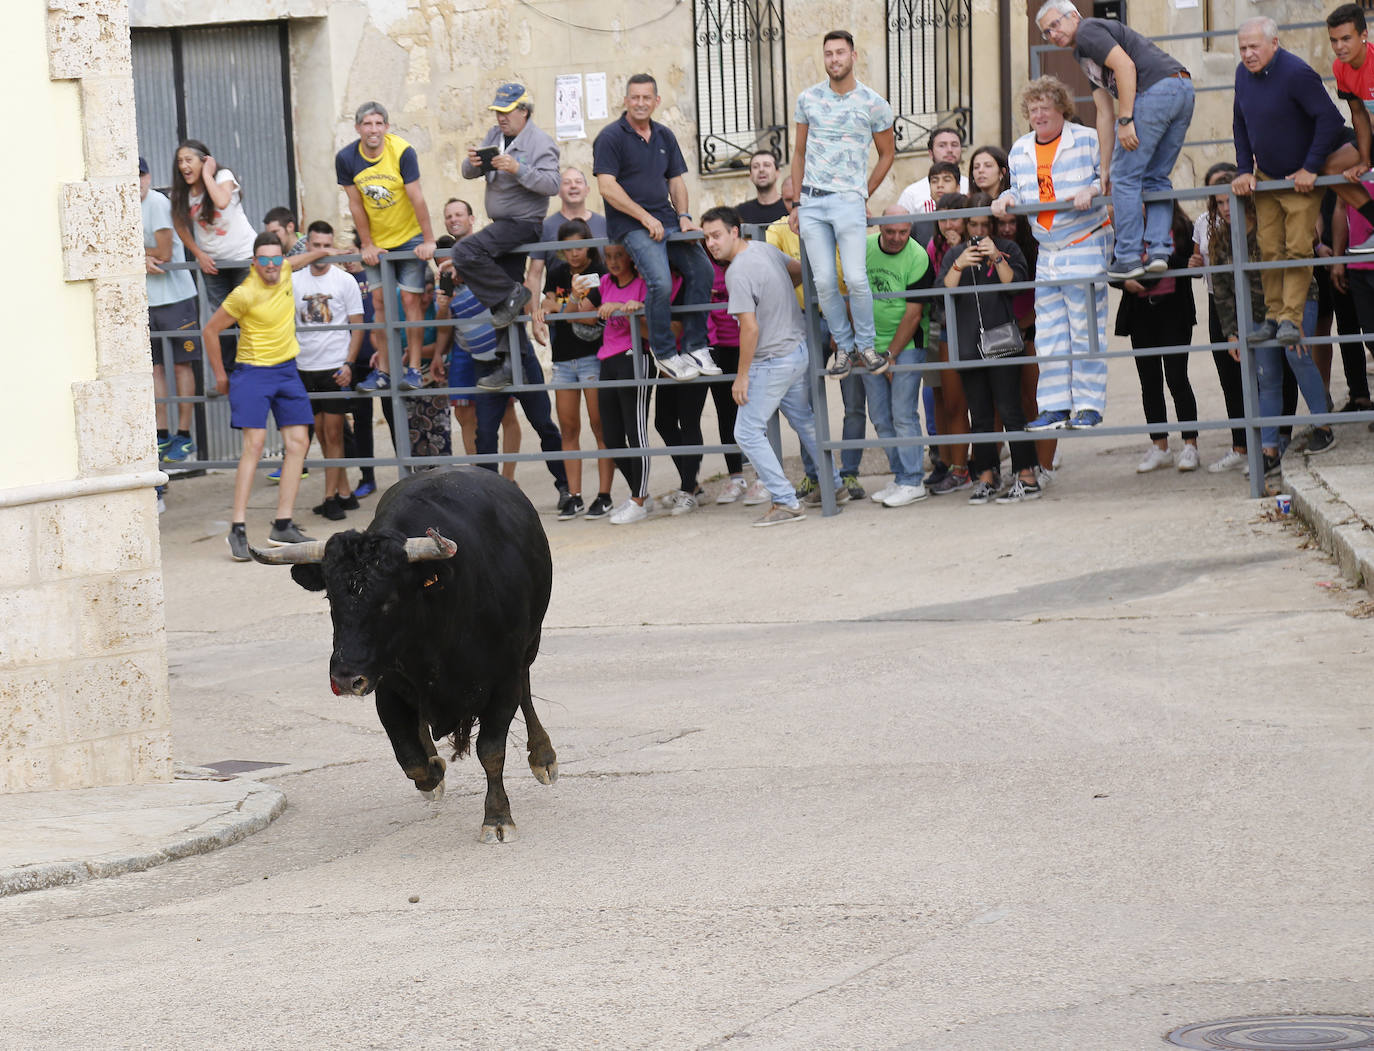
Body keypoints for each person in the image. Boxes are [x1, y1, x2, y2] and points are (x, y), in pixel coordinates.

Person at [1232, 17, 1374, 348]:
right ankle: (1273, 316)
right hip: (1267, 177)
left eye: (1254, 47)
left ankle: (1290, 321)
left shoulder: (1297, 73)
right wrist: (1242, 169)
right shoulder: (1242, 74)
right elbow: (1240, 122)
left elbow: (1330, 118)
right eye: (1242, 48)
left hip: (1301, 179)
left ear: (1274, 44)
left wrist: (1311, 167)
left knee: (1297, 248)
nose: (1248, 54)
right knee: (1268, 249)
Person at [702, 205, 843, 525]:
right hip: (796, 351)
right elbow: (795, 270)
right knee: (805, 422)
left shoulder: (736, 271)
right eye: (707, 237)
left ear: (734, 231)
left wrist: (741, 377)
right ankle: (834, 484)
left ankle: (784, 500)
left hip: (773, 360)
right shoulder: (764, 249)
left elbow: (749, 329)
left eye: (717, 235)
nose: (711, 243)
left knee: (747, 432)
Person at [1036, 0, 1195, 280]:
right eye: (1046, 32)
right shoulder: (1082, 54)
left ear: (1073, 15)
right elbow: (1102, 112)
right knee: (1155, 176)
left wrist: (1126, 119)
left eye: (1055, 24)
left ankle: (1129, 256)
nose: (1052, 34)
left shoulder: (1087, 31)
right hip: (1181, 88)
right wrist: (1105, 168)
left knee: (1126, 177)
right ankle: (1158, 250)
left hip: (1157, 90)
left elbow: (1125, 66)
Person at [993, 76, 1112, 431]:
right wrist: (1006, 198)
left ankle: (1089, 407)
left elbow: (1108, 176)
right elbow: (1016, 189)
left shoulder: (1089, 139)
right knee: (1049, 333)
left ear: (1062, 107)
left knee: (1086, 329)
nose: (1039, 114)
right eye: (1033, 109)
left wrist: (1092, 189)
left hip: (1084, 241)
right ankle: (1055, 407)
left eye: (1046, 107)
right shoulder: (1020, 149)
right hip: (1048, 249)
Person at [201, 231, 328, 560]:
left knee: (299, 443)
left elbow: (296, 260)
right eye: (265, 260)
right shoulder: (243, 294)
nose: (272, 265)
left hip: (286, 371)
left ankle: (282, 524)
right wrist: (219, 375)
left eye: (276, 258)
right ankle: (238, 529)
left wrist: (325, 251)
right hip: (252, 373)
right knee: (254, 446)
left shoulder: (285, 269)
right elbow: (210, 331)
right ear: (254, 263)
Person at [593, 73, 717, 381]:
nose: (640, 103)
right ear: (626, 100)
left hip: (668, 220)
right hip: (632, 225)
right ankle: (664, 353)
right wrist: (644, 217)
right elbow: (607, 187)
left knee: (703, 270)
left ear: (656, 101)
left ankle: (695, 346)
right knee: (660, 282)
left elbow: (676, 181)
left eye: (646, 97)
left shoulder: (664, 135)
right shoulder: (610, 137)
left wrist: (685, 215)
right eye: (634, 97)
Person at [790, 29, 896, 380]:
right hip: (812, 201)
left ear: (853, 55)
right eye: (828, 54)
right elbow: (799, 152)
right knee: (822, 281)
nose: (834, 59)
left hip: (849, 200)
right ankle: (845, 348)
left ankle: (867, 346)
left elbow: (886, 154)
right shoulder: (808, 99)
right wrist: (796, 203)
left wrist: (863, 192)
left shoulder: (874, 103)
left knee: (855, 277)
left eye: (840, 52)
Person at [1214, 186, 1337, 474]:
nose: (1225, 208)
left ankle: (1323, 426)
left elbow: (1301, 257)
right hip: (1260, 313)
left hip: (1298, 299)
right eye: (1219, 203)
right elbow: (1221, 290)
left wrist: (1292, 318)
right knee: (1266, 374)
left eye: (1228, 200)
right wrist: (1232, 331)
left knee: (1297, 355)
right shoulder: (1222, 240)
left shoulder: (1272, 223)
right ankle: (1268, 451)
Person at [456, 83, 561, 390]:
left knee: (464, 253)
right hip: (503, 225)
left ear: (523, 111)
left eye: (506, 111)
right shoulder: (494, 136)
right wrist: (471, 163)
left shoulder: (540, 141)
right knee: (505, 308)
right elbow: (468, 172)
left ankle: (514, 294)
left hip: (523, 223)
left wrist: (518, 168)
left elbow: (552, 184)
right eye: (497, 112)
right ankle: (511, 364)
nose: (500, 118)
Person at [936, 194, 1038, 503]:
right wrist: (958, 264)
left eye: (985, 225)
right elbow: (942, 293)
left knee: (1010, 410)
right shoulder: (955, 252)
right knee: (978, 415)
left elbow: (1016, 285)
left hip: (1004, 344)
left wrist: (995, 257)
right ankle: (986, 476)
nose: (979, 231)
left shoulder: (1008, 249)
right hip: (969, 345)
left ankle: (1026, 476)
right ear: (966, 225)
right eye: (974, 224)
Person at [336, 101, 438, 393]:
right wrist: (366, 243)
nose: (373, 130)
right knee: (379, 302)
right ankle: (383, 371)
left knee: (410, 302)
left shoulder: (402, 151)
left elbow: (416, 196)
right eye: (367, 124)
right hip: (377, 241)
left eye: (379, 123)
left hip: (409, 236)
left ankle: (414, 368)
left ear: (387, 127)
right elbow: (355, 205)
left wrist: (429, 240)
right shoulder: (346, 158)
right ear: (357, 128)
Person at [572, 243, 657, 523]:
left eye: (619, 255)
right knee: (610, 437)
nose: (613, 261)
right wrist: (571, 298)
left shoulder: (643, 284)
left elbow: (653, 329)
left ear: (631, 257)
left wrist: (628, 310)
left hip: (635, 356)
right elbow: (583, 313)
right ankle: (639, 494)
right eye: (608, 257)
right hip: (608, 359)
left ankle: (639, 500)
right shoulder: (605, 282)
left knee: (636, 433)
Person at [1115, 204, 1201, 473]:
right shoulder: (1126, 229)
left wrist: (1163, 264)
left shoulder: (1180, 226)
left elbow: (1190, 265)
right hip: (1140, 313)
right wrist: (1125, 281)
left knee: (1177, 377)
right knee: (1149, 382)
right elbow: (1113, 268)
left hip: (1174, 311)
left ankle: (1190, 445)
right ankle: (1160, 446)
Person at [292, 221, 365, 519]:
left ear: (332, 245)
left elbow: (358, 326)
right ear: (307, 245)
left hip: (334, 365)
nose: (321, 252)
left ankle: (330, 497)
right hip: (304, 366)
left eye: (327, 246)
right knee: (321, 433)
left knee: (334, 434)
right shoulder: (295, 279)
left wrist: (349, 363)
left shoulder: (344, 280)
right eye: (316, 245)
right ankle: (345, 491)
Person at [540, 219, 613, 519]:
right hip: (562, 360)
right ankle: (574, 495)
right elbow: (547, 308)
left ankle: (605, 494)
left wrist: (565, 307)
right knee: (568, 428)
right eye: (568, 247)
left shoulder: (601, 272)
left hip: (592, 357)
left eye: (579, 246)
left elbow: (587, 318)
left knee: (600, 427)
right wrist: (568, 304)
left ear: (589, 244)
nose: (574, 253)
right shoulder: (556, 273)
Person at [863, 205, 935, 508]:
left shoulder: (918, 256)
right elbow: (855, 295)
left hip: (906, 346)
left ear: (910, 230)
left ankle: (913, 480)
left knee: (903, 413)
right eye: (890, 231)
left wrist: (890, 355)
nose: (896, 238)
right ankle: (900, 473)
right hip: (870, 344)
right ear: (880, 227)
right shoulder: (864, 249)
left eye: (903, 232)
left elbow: (914, 313)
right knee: (879, 415)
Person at [169, 139, 255, 375]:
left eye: (189, 160)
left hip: (242, 258)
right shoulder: (183, 193)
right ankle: (228, 373)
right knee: (221, 317)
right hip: (213, 264)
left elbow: (221, 201)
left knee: (246, 315)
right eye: (180, 162)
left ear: (204, 161)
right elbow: (179, 224)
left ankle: (252, 368)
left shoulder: (222, 176)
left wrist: (208, 174)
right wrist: (198, 254)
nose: (184, 166)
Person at [1189, 162, 1251, 473]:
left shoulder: (1250, 218)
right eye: (1217, 196)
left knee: (1264, 372)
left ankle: (1276, 438)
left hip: (1252, 301)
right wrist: (1195, 261)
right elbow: (1199, 260)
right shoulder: (1204, 221)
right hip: (1218, 302)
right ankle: (1240, 446)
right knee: (1229, 377)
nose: (1223, 204)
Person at [141, 156, 199, 464]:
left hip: (176, 296)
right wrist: (140, 257)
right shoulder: (122, 203)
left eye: (140, 176)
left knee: (181, 366)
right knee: (154, 369)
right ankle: (162, 432)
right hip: (146, 300)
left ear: (148, 177)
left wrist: (134, 252)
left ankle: (184, 434)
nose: (136, 182)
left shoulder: (158, 203)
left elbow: (163, 253)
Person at [524, 167, 607, 307]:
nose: (573, 186)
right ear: (558, 191)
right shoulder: (546, 227)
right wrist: (535, 318)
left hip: (599, 311)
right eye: (567, 182)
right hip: (560, 313)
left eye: (578, 181)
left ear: (587, 190)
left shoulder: (604, 224)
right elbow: (534, 274)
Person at [705, 255, 747, 504]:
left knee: (754, 409)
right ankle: (736, 477)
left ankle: (765, 477)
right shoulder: (703, 266)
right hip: (718, 347)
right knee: (725, 411)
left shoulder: (743, 261)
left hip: (747, 344)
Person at [895, 126, 969, 214]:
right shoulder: (912, 193)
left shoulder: (971, 187)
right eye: (942, 145)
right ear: (930, 153)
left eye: (954, 145)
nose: (949, 150)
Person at [735, 150, 788, 226]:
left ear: (777, 173)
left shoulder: (790, 208)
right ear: (750, 175)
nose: (761, 170)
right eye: (755, 167)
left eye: (767, 165)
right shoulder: (741, 212)